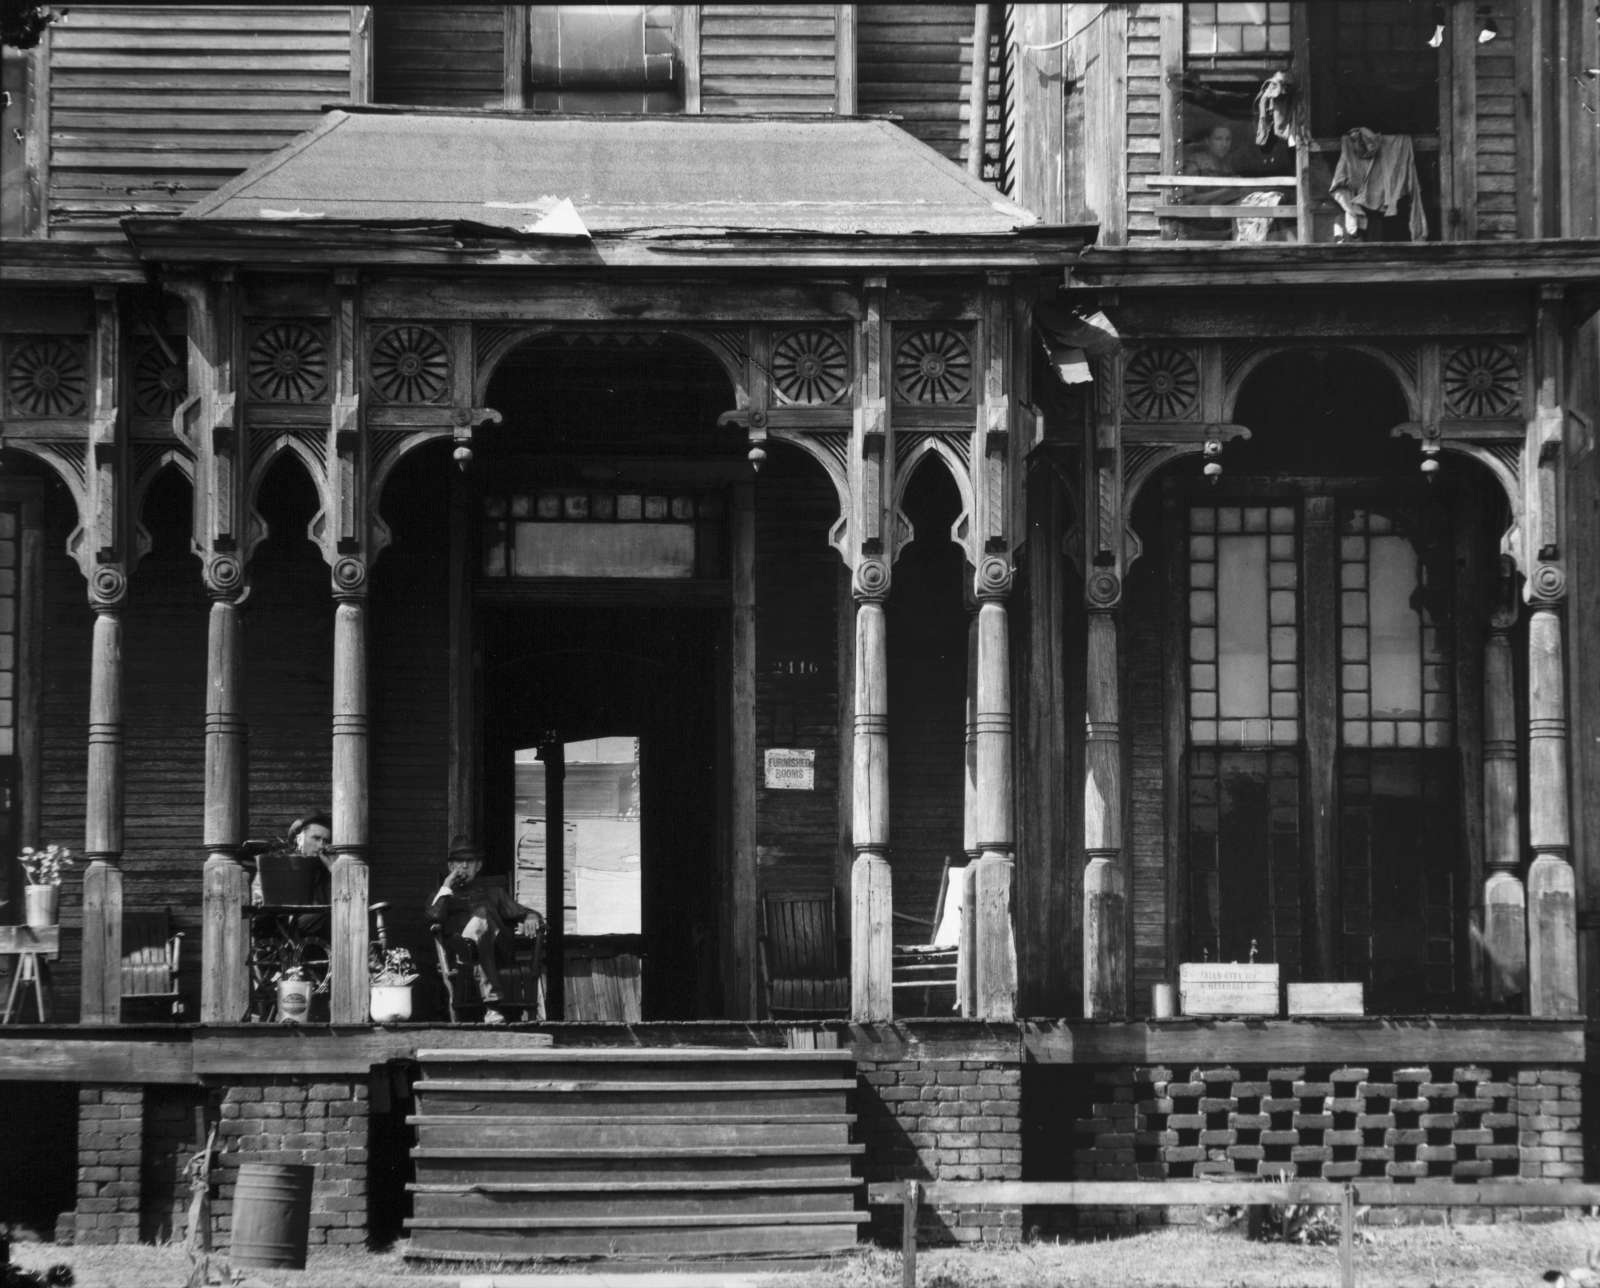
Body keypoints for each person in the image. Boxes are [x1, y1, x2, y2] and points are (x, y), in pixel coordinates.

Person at [427, 838, 544, 1024]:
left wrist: (531, 917)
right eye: (459, 862)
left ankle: (468, 947)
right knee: (476, 943)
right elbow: (433, 918)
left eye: (470, 861)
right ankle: (492, 1007)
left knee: (483, 915)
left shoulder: (493, 892)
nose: (464, 866)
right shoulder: (443, 896)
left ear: (478, 865)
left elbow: (524, 912)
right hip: (466, 956)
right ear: (450, 866)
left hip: (497, 951)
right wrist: (447, 887)